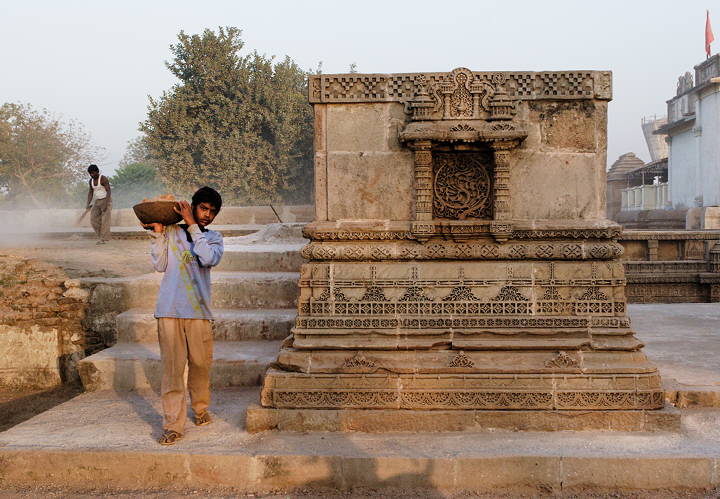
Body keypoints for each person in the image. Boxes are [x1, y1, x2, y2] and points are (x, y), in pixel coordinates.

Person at [142, 187, 224, 445]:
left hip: (198, 311)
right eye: (203, 208)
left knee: (200, 364)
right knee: (173, 370)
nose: (207, 215)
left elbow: (207, 258)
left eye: (212, 211)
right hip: (169, 310)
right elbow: (160, 265)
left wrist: (192, 226)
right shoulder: (172, 233)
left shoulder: (213, 238)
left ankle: (200, 408)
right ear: (192, 207)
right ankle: (173, 425)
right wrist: (157, 235)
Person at [85, 164, 112, 244]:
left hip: (106, 200)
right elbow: (90, 192)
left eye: (93, 173)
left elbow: (109, 191)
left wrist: (106, 204)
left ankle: (103, 239)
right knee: (93, 219)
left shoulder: (103, 179)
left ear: (97, 171)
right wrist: (87, 203)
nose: (92, 175)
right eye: (90, 173)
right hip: (97, 201)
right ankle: (101, 236)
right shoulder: (91, 181)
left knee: (105, 221)